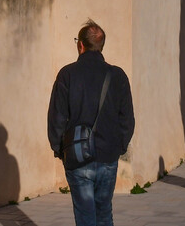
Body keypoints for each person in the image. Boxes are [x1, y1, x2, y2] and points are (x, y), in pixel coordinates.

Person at [48, 20, 135, 226]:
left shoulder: (67, 74)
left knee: (85, 216)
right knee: (104, 213)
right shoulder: (118, 76)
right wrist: (119, 147)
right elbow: (127, 119)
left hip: (77, 156)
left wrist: (61, 150)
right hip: (108, 156)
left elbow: (57, 117)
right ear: (101, 46)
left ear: (80, 45)